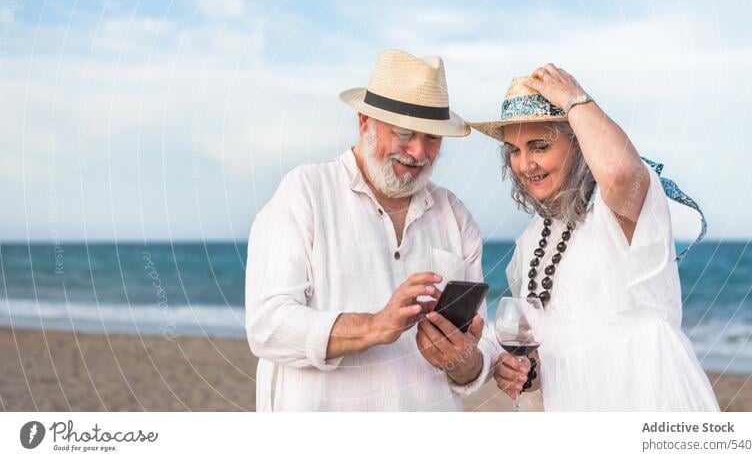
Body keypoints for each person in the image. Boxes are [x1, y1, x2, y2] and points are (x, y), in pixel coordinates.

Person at [245, 48, 495, 411]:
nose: (419, 152)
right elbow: (267, 326)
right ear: (365, 123)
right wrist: (375, 326)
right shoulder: (306, 192)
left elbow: (480, 348)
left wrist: (463, 360)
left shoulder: (455, 215)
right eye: (405, 133)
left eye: (433, 138)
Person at [470, 64, 719, 411]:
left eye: (539, 146)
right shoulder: (531, 241)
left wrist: (574, 101)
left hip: (647, 399)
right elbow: (551, 350)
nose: (525, 164)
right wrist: (521, 371)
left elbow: (619, 171)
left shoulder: (620, 206)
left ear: (579, 142)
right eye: (514, 150)